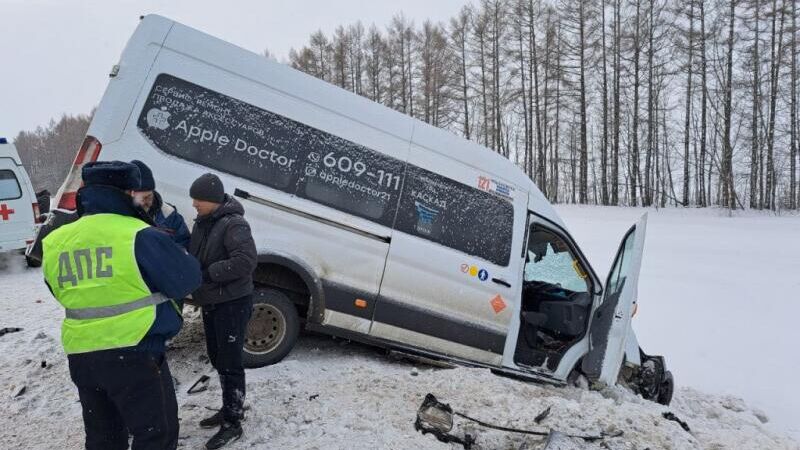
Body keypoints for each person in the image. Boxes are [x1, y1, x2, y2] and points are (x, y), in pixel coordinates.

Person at [41, 161, 201, 450]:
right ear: (124, 193)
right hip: (135, 352)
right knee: (156, 436)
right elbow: (187, 278)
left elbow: (59, 290)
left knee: (104, 438)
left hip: (82, 357)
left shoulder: (55, 241)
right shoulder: (140, 234)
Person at [188, 173, 257, 450]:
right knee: (218, 357)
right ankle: (230, 406)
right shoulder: (204, 223)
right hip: (212, 301)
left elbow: (246, 261)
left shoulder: (234, 224)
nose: (194, 204)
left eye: (198, 199)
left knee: (230, 362)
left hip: (232, 302)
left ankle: (233, 422)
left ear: (213, 200)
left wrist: (207, 274)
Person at [130, 160, 191, 249]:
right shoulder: (115, 213)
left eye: (149, 197)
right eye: (142, 198)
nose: (145, 202)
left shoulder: (169, 215)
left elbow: (183, 245)